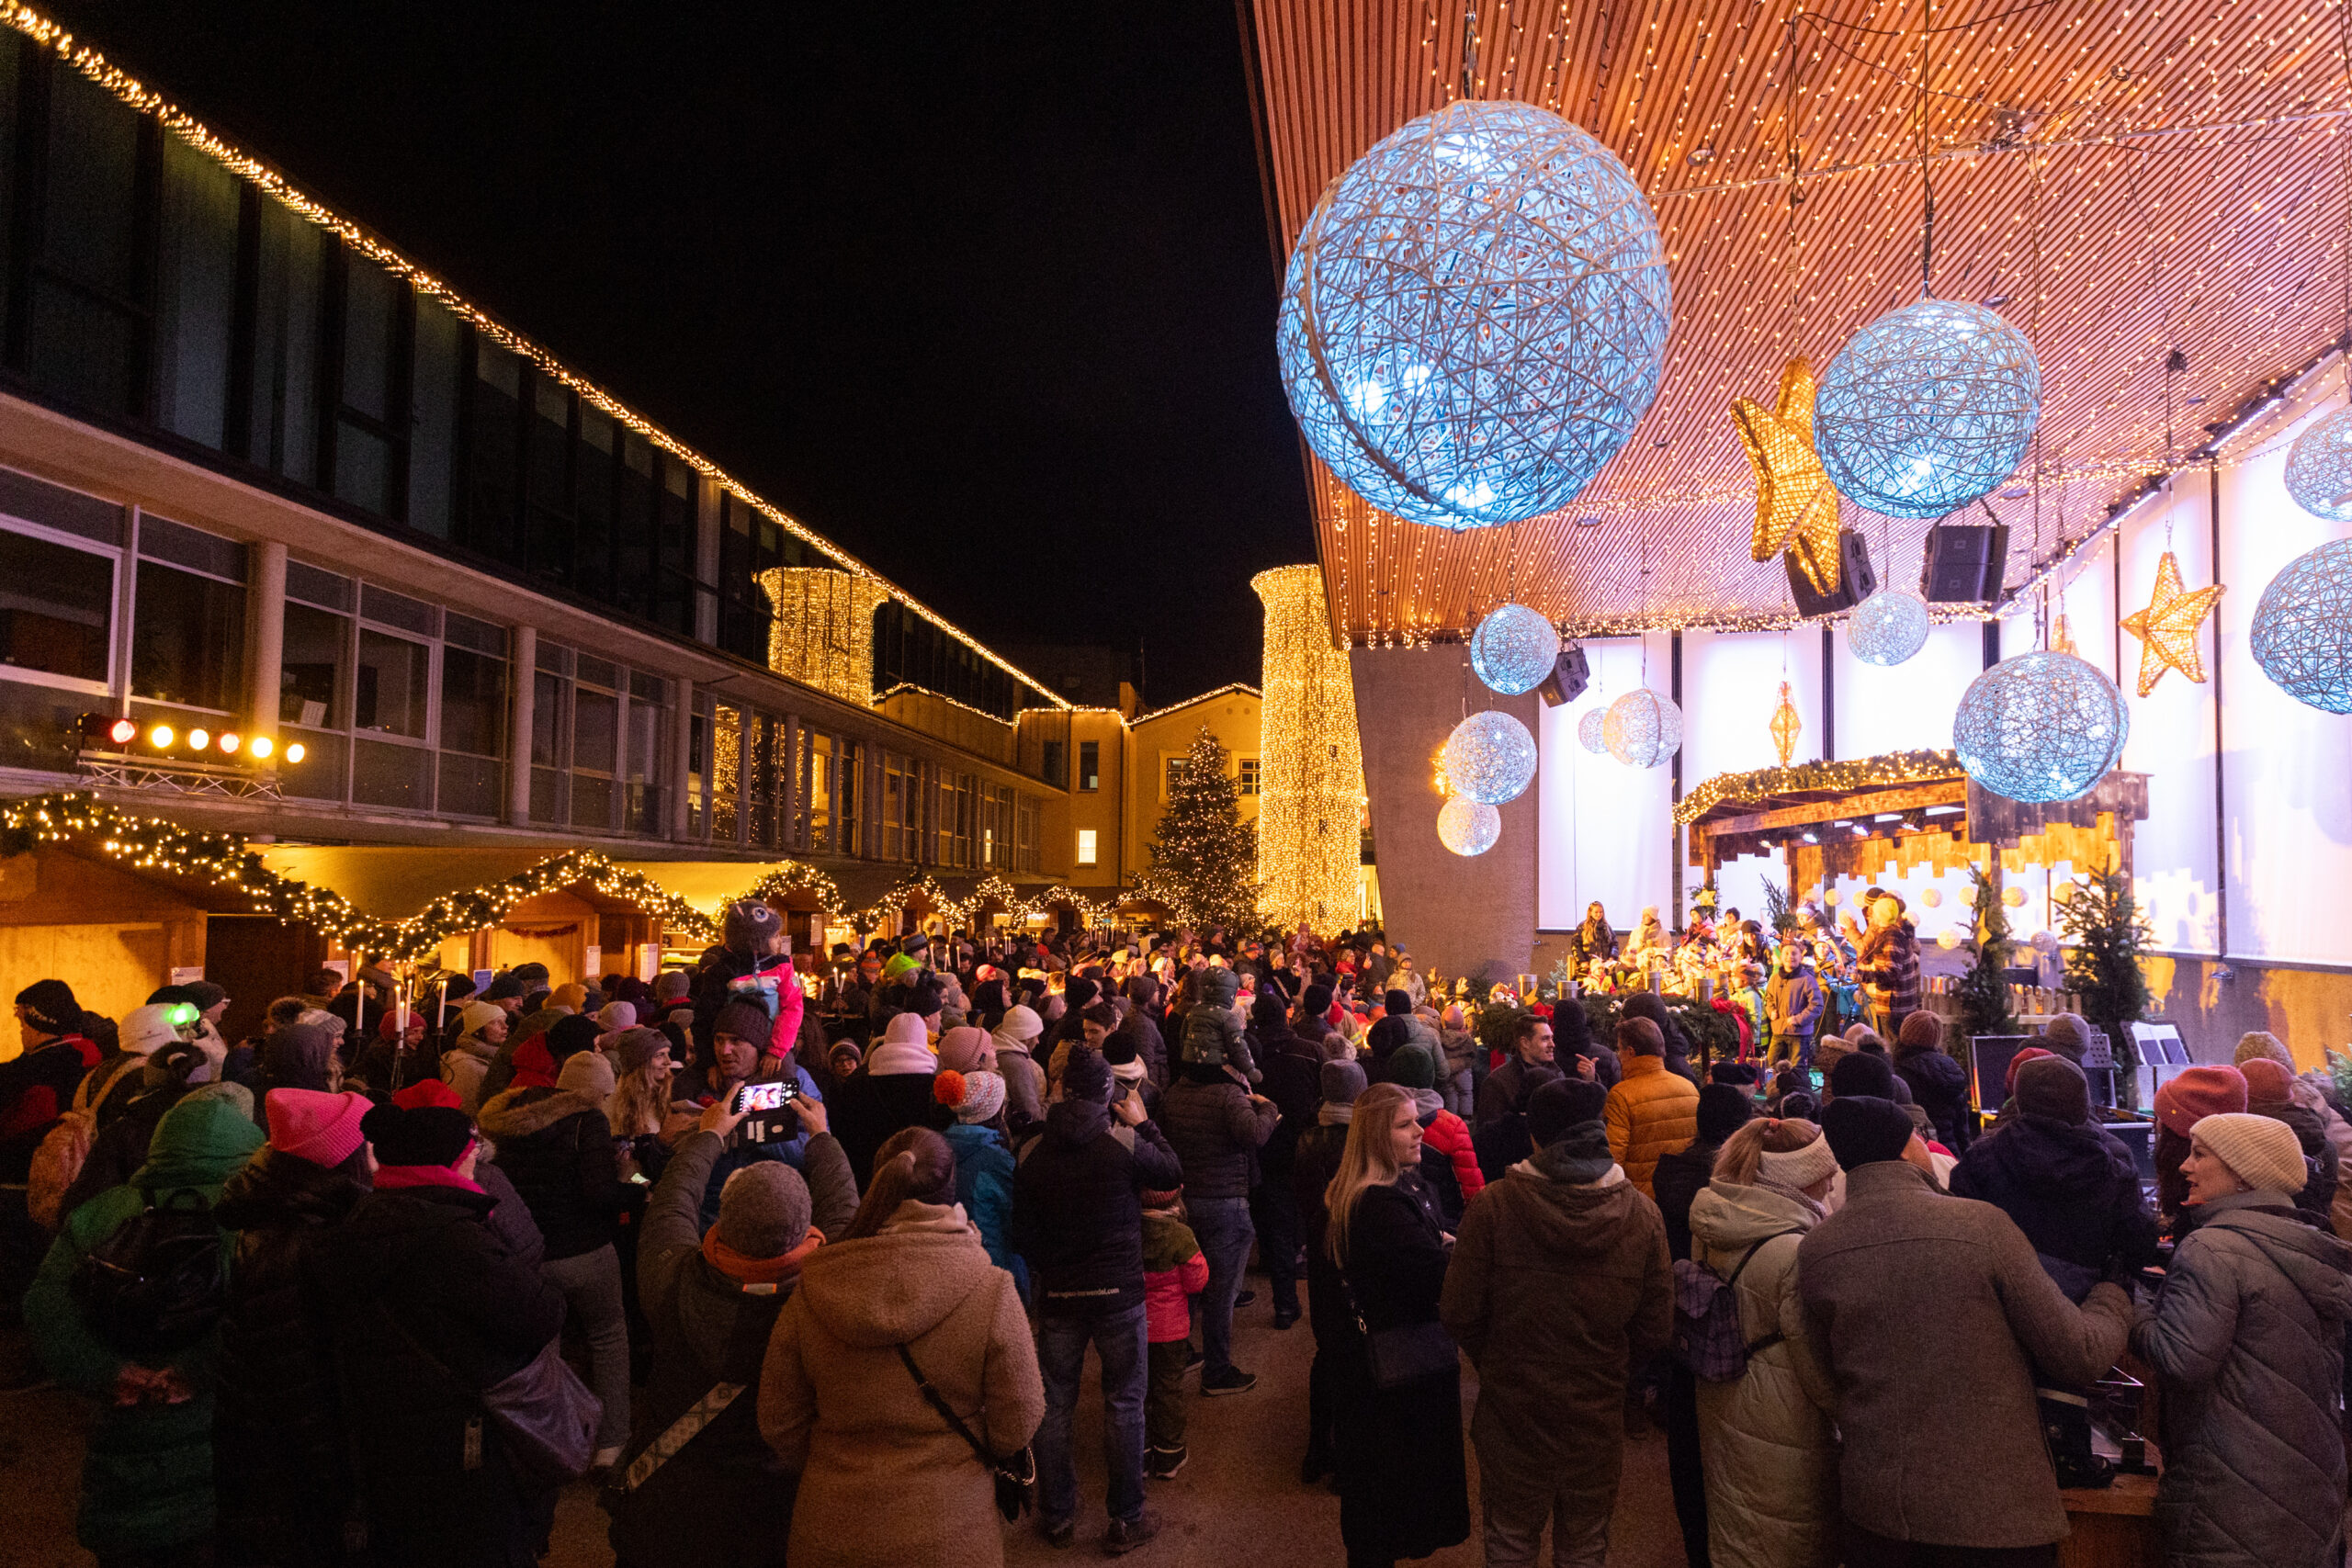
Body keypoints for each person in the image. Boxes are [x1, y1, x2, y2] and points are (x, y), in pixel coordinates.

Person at [1800, 1096, 2134, 1568]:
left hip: (1875, 1510)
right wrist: (2113, 1297)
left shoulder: (1818, 1249)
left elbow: (1821, 1376)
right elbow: (2077, 1352)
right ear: (1905, 1148)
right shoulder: (1981, 1226)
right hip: (1992, 1514)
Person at [759, 1126, 1046, 1566]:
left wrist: (836, 1458)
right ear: (952, 1188)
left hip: (833, 1528)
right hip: (952, 1530)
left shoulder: (816, 1290)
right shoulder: (990, 1289)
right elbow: (1020, 1416)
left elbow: (780, 1420)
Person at [315, 1094, 568, 1568]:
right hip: (463, 1441)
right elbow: (541, 1312)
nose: (477, 1161)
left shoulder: (363, 1219)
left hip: (393, 1434)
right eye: (470, 1155)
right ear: (449, 1164)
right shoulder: (451, 1237)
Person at [609, 1090, 854, 1568]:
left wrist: (710, 1137)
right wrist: (821, 1136)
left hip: (674, 1500)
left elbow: (672, 1205)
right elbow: (844, 1211)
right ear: (807, 1232)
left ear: (722, 1221)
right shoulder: (827, 1296)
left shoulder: (671, 1281)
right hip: (777, 1502)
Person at [26, 1090, 264, 1568]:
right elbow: (258, 1314)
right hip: (219, 1440)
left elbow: (44, 1305)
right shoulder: (249, 1220)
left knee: (132, 1538)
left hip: (124, 1425)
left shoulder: (104, 1211)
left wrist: (109, 1372)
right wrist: (194, 1372)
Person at [1442, 1077, 1669, 1568]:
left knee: (1510, 1538)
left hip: (1513, 1405)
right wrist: (1612, 1369)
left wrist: (1498, 1360)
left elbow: (1460, 1311)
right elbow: (1655, 1324)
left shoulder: (1495, 1207)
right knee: (1585, 1542)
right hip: (1596, 1407)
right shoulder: (1642, 1215)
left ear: (1536, 1137)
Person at [2131, 1112, 2352, 1568]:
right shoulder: (2309, 1246)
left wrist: (2129, 1307)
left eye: (2201, 1154)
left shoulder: (2211, 1249)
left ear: (2241, 1171)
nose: (2185, 1167)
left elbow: (2180, 1357)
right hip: (2312, 1496)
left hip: (2229, 1500)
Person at [1012, 1047, 1182, 1550]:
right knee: (1125, 1402)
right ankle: (1126, 1517)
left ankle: (1057, 1514)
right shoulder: (1125, 1143)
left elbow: (1022, 1235)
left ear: (1063, 1091)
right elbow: (1170, 1172)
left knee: (1055, 1404)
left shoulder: (1030, 1150)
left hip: (1061, 1296)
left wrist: (1056, 1266)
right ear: (1109, 1095)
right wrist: (1146, 1124)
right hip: (1119, 1295)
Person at [213, 1088, 372, 1568]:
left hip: (273, 1465)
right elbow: (300, 1384)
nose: (377, 1153)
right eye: (368, 1145)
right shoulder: (300, 1244)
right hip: (291, 1480)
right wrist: (348, 1487)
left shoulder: (296, 1216)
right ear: (339, 1160)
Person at [1325, 1082, 1468, 1568]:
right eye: (1405, 1124)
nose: (1420, 1132)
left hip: (1386, 1367)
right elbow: (1434, 1274)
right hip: (1393, 1375)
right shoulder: (1378, 1206)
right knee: (1386, 1500)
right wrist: (1451, 1249)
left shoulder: (1388, 1190)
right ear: (1375, 1137)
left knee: (1383, 1501)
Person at [1687, 1117, 1841, 1568]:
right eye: (1824, 1173)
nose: (1832, 1182)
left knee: (1738, 1525)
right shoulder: (1792, 1251)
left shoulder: (1715, 1220)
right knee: (1786, 1533)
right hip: (1784, 1416)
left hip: (1723, 1397)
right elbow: (1812, 1363)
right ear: (1798, 1177)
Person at [480, 1047, 635, 1469]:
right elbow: (600, 1192)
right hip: (585, 1251)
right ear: (594, 1094)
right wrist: (637, 1182)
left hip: (529, 1257)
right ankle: (611, 1442)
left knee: (547, 1350)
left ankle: (553, 1442)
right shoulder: (589, 1120)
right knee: (608, 1337)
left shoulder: (509, 1119)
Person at [1948, 1055, 2160, 1296]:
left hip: (2002, 1302)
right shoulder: (2115, 1166)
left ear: (2020, 1101)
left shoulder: (1981, 1159)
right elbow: (2140, 1244)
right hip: (2089, 1305)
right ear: (2083, 1105)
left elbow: (1957, 1236)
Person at [1651, 1082, 1754, 1568]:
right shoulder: (1736, 1190)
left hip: (1681, 1315)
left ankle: (1696, 1540)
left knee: (1687, 1432)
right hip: (1728, 1323)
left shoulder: (1670, 1172)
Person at [1158, 1053, 1279, 1395]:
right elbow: (1255, 1135)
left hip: (1184, 1202)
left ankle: (1180, 1353)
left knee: (1187, 1286)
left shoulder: (1173, 1093)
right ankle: (1217, 1371)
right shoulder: (1229, 1097)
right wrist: (1268, 1108)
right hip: (1226, 1202)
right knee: (1221, 1294)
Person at [1295, 1055, 1366, 1486]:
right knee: (1356, 1356)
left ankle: (1317, 1448)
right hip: (1354, 1254)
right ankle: (1347, 1454)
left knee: (1326, 1353)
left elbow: (1301, 1195)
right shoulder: (1361, 1143)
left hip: (1321, 1254)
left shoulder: (1306, 1138)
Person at [1250, 991, 1321, 1329]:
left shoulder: (1250, 1055)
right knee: (1294, 1215)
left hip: (1259, 1143)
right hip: (1299, 1143)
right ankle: (1288, 1298)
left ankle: (1279, 1280)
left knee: (1267, 1210)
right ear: (1286, 1016)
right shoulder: (1308, 1051)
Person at [830, 1010, 949, 1188]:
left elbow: (844, 1137)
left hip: (870, 1179)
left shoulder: (857, 1084)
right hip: (921, 1181)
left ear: (888, 1038)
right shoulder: (937, 1087)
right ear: (922, 1041)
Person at [1139, 1184, 1209, 1479]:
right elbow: (1198, 1280)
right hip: (1170, 1330)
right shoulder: (1180, 1235)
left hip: (1136, 1326)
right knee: (1168, 1389)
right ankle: (1169, 1455)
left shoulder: (1130, 1229)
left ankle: (1139, 1454)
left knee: (1138, 1390)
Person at [933, 1068, 1023, 1288]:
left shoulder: (940, 1146)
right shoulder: (995, 1160)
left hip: (950, 1260)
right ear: (996, 1110)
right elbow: (1015, 1215)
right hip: (993, 1262)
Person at [1386, 1043, 1483, 1225]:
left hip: (1399, 1219)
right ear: (1430, 1076)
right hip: (1447, 1221)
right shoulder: (1452, 1125)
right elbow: (1471, 1186)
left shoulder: (1380, 1121)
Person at [2239, 1057, 2341, 1230]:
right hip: (2315, 1239)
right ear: (2290, 1095)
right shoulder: (2326, 1146)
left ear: (2244, 1096)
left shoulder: (2243, 1141)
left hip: (2255, 1236)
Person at [1605, 1016, 1701, 1199]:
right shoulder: (1688, 1088)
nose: (1618, 1055)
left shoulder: (1621, 1095)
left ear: (1630, 1052)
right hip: (1682, 1195)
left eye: (1619, 1049)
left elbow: (1614, 1158)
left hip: (1640, 1198)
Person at [1476, 1012, 1565, 1182]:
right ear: (1524, 1043)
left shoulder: (1558, 1074)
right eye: (1545, 1039)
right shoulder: (1498, 1082)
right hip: (1515, 1177)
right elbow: (1489, 1141)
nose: (1552, 1044)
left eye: (1552, 1038)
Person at [1891, 1010, 1970, 1152]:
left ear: (1905, 1034)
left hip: (1916, 1153)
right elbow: (1962, 1130)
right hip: (1949, 1154)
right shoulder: (1952, 1072)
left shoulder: (1899, 1075)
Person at [1855, 897, 1920, 1043]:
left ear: (1879, 916)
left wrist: (1863, 974)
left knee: (1893, 1048)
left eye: (1873, 914)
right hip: (1895, 1004)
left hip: (1894, 1006)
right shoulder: (1892, 934)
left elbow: (1891, 972)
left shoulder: (1891, 938)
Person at [1762, 943, 1824, 1071]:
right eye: (1786, 953)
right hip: (1779, 1030)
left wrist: (1798, 1019)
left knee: (1797, 1068)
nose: (1790, 956)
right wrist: (1771, 1010)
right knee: (1772, 1063)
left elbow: (1817, 1005)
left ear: (1800, 957)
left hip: (1799, 1033)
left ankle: (1797, 1089)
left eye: (1794, 953)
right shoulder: (1774, 979)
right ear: (1781, 957)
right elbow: (1768, 999)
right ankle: (1777, 1089)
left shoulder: (1808, 979)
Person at [989, 1003, 1047, 1126]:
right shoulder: (1016, 1065)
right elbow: (1033, 1116)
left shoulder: (996, 1048)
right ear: (1026, 1038)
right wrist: (1055, 1098)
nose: (1038, 1041)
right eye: (1036, 1036)